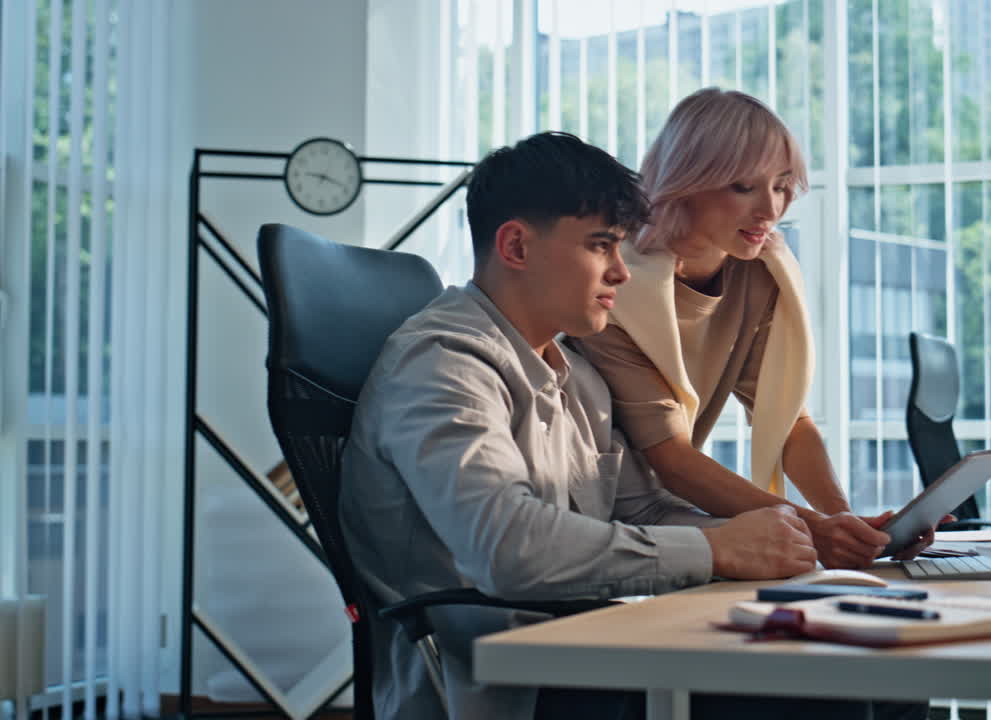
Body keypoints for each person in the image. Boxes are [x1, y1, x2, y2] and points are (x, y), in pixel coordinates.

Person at [338, 131, 825, 720]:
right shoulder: (441, 363)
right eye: (602, 247)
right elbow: (507, 549)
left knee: (852, 672)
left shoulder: (579, 377)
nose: (622, 273)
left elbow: (642, 509)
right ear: (516, 246)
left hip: (582, 650)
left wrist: (763, 538)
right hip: (499, 682)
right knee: (822, 693)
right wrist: (713, 547)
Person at [574, 88, 942, 570]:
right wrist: (815, 528)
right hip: (599, 517)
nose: (770, 209)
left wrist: (846, 525)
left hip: (670, 513)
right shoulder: (618, 281)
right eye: (743, 187)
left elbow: (788, 419)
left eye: (783, 184)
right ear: (687, 181)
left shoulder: (758, 271)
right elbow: (672, 458)